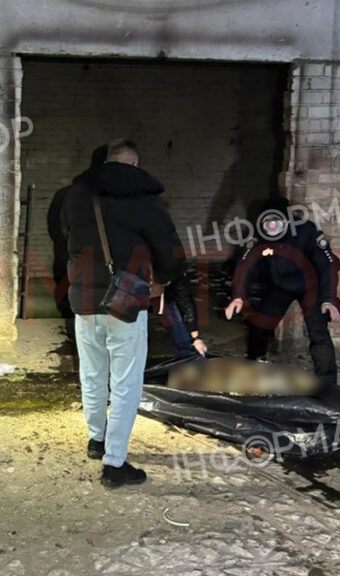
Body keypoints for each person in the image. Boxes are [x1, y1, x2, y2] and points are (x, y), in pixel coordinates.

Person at [61, 138, 205, 488]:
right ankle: (114, 464)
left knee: (92, 373)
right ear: (135, 165)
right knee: (126, 383)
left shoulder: (76, 195)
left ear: (106, 162)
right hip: (125, 300)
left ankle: (96, 440)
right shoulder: (144, 199)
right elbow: (171, 254)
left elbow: (65, 234)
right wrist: (162, 280)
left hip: (83, 298)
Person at [224, 196, 340, 395]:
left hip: (311, 286)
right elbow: (245, 265)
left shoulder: (307, 231)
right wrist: (238, 296)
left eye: (276, 220)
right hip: (281, 285)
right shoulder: (258, 234)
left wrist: (329, 298)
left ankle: (328, 386)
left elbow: (327, 265)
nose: (272, 225)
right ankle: (254, 369)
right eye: (267, 221)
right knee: (259, 323)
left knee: (318, 333)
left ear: (287, 220)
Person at [47, 144, 108, 318]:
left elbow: (54, 229)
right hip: (99, 270)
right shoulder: (114, 198)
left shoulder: (65, 194)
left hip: (68, 261)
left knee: (71, 311)